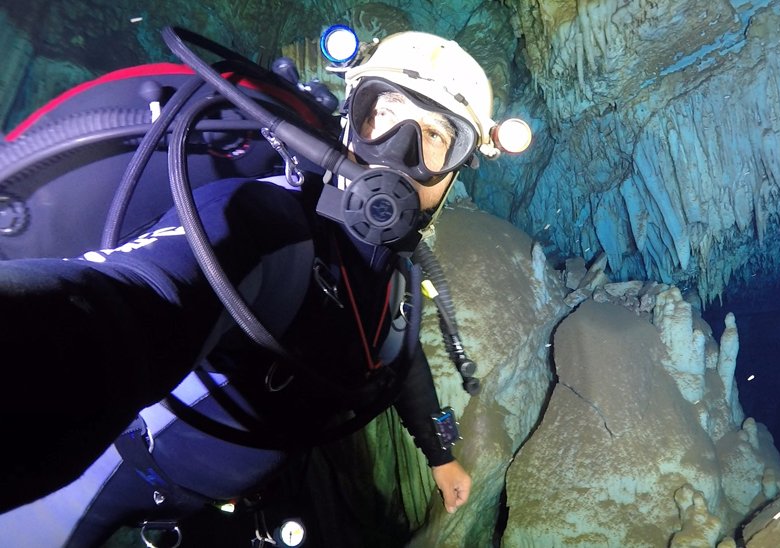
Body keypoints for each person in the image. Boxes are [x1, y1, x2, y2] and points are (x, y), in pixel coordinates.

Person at [0, 26, 530, 546]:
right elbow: (138, 301)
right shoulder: (270, 221)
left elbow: (399, 353)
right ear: (350, 120)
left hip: (243, 495)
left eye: (435, 137)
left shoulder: (398, 270)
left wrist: (440, 455)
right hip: (104, 482)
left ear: (455, 173)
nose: (398, 152)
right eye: (384, 114)